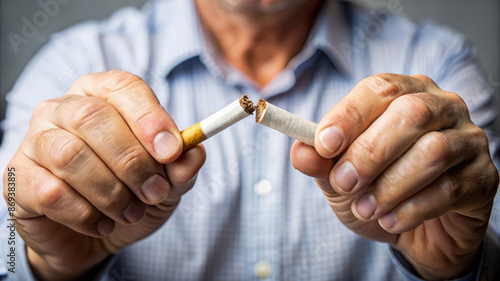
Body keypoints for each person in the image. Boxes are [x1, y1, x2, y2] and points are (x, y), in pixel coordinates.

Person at [1, 0, 499, 280]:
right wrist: (43, 262)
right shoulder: (70, 63)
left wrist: (457, 267)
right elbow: (4, 235)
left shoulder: (437, 63)